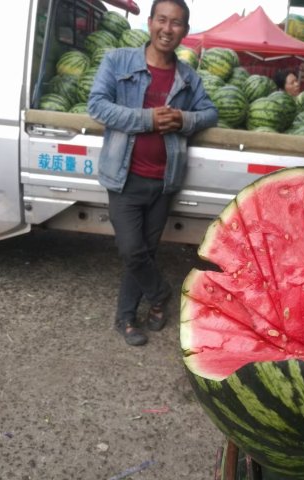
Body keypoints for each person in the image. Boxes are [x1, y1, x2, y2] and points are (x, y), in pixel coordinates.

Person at [87, 0, 218, 346]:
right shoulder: (118, 61)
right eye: (162, 19)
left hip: (164, 180)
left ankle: (127, 318)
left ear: (185, 32)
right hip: (124, 175)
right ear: (150, 22)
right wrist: (146, 119)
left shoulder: (188, 78)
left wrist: (184, 119)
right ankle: (161, 294)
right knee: (131, 249)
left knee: (145, 249)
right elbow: (96, 105)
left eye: (176, 23)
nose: (167, 28)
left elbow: (210, 113)